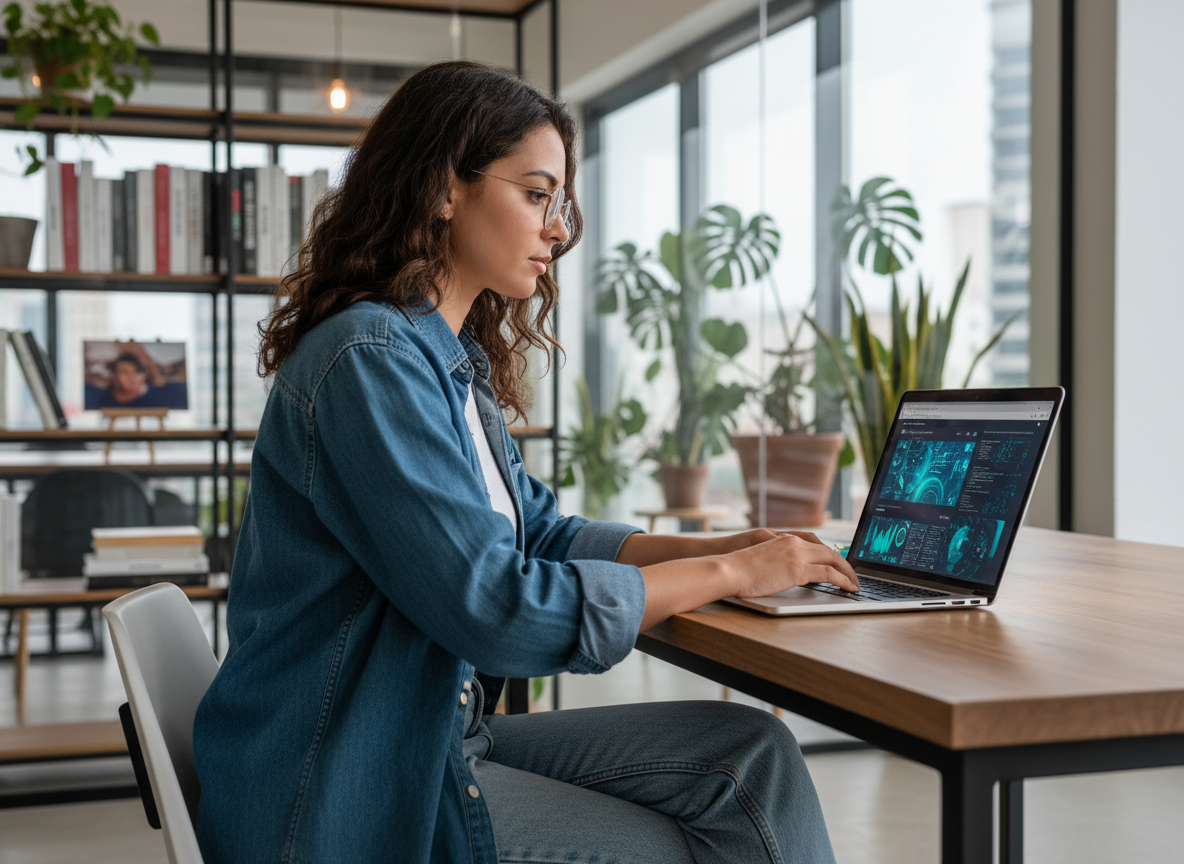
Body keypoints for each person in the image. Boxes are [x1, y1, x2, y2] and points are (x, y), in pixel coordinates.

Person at [192, 60, 860, 864]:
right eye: (537, 194)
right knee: (689, 843)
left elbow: (540, 534)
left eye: (561, 201)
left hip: (435, 736)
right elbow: (497, 606)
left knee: (750, 758)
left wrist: (730, 549)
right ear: (445, 188)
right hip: (345, 781)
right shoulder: (368, 360)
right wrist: (728, 579)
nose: (559, 229)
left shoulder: (446, 362)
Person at [86, 342, 187, 409]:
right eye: (118, 373)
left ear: (142, 375)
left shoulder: (167, 395)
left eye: (127, 373)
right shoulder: (95, 395)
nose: (121, 379)